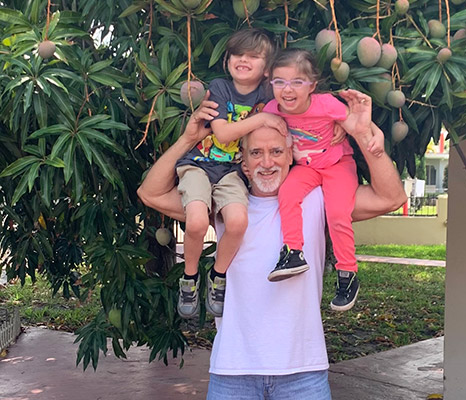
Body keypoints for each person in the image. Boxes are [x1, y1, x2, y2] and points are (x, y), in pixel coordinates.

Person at [137, 89, 406, 399]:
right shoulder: (224, 205)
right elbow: (151, 193)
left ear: (291, 156)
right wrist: (186, 140)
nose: (267, 162)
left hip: (303, 372)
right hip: (232, 371)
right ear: (244, 162)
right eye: (256, 153)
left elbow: (391, 198)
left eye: (277, 151)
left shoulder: (317, 199)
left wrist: (364, 139)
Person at [174, 28, 286, 318]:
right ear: (227, 60)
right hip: (199, 163)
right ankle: (190, 278)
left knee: (237, 223)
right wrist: (261, 117)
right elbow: (222, 134)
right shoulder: (221, 87)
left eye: (253, 56)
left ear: (266, 69)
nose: (244, 60)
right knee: (197, 222)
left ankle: (218, 275)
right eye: (238, 54)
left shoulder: (268, 93)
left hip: (232, 172)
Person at [263, 49, 385, 312]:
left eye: (297, 82)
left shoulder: (327, 104)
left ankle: (347, 274)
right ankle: (293, 253)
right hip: (306, 168)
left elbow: (359, 124)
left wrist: (379, 136)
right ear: (271, 83)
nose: (287, 89)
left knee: (338, 213)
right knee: (287, 195)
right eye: (279, 82)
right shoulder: (271, 110)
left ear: (312, 86)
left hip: (337, 165)